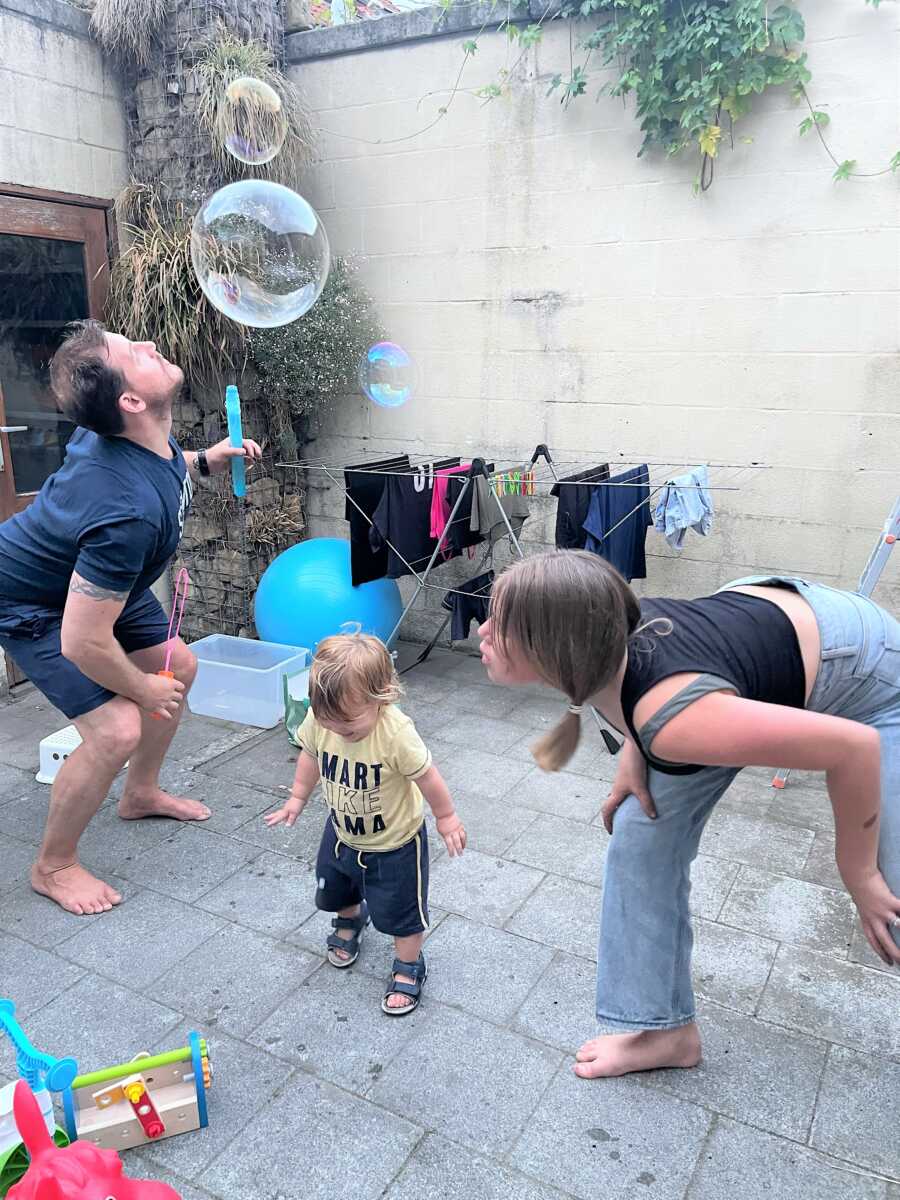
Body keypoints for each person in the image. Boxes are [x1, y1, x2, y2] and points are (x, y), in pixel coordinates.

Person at [477, 549, 900, 1077]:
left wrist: (857, 873)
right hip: (755, 627)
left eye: (502, 625)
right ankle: (667, 1032)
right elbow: (649, 693)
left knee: (890, 900)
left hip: (867, 665)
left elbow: (853, 749)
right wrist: (636, 753)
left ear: (555, 649)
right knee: (639, 832)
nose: (483, 630)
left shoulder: (673, 719)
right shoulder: (610, 635)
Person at [0, 321, 262, 916]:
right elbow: (82, 640)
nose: (148, 345)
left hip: (99, 585)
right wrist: (139, 689)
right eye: (131, 352)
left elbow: (167, 460)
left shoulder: (126, 435)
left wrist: (205, 460)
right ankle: (54, 865)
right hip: (34, 603)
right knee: (117, 726)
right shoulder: (126, 514)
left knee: (179, 665)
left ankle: (139, 793)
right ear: (131, 402)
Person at [264, 632, 466, 1014]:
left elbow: (427, 775)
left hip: (395, 845)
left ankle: (409, 964)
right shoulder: (323, 719)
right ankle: (352, 918)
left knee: (402, 910)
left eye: (349, 723)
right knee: (336, 888)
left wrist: (447, 817)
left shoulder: (396, 733)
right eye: (329, 720)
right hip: (342, 833)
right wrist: (297, 797)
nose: (338, 730)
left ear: (382, 697)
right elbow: (310, 752)